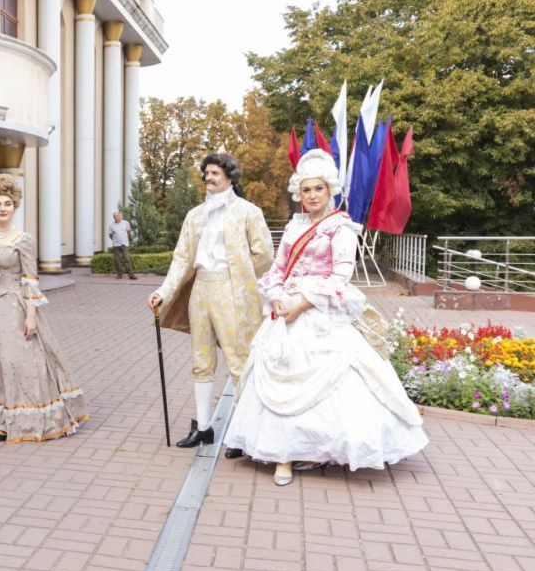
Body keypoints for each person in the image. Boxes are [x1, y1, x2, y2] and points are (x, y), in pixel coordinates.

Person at [223, 150, 428, 486]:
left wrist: (302, 305)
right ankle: (282, 456)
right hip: (284, 307)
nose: (312, 196)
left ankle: (321, 451)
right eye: (306, 190)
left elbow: (340, 277)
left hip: (319, 311)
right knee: (277, 375)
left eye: (318, 189)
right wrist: (275, 297)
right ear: (298, 193)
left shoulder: (341, 228)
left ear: (329, 189)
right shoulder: (294, 226)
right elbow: (277, 268)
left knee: (338, 380)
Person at [0, 174, 89, 443]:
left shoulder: (23, 239)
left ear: (15, 207)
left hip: (14, 305)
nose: (2, 208)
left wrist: (32, 315)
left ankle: (23, 418)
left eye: (8, 203)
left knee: (16, 360)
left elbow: (30, 279)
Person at [147, 153, 273, 449]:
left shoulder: (248, 212)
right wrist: (163, 292)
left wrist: (241, 280)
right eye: (206, 173)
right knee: (201, 360)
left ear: (230, 176)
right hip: (201, 290)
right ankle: (203, 427)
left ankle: (244, 434)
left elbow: (264, 255)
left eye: (215, 173)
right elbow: (181, 258)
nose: (209, 178)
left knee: (238, 360)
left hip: (231, 291)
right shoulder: (195, 215)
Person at [107, 212, 137, 280]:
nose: (116, 218)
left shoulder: (125, 223)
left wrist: (126, 239)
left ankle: (131, 275)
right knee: (117, 260)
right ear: (113, 217)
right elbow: (110, 235)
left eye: (117, 216)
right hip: (116, 245)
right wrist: (116, 239)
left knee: (127, 259)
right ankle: (119, 275)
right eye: (115, 217)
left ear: (120, 217)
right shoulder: (111, 225)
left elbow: (129, 232)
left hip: (124, 244)